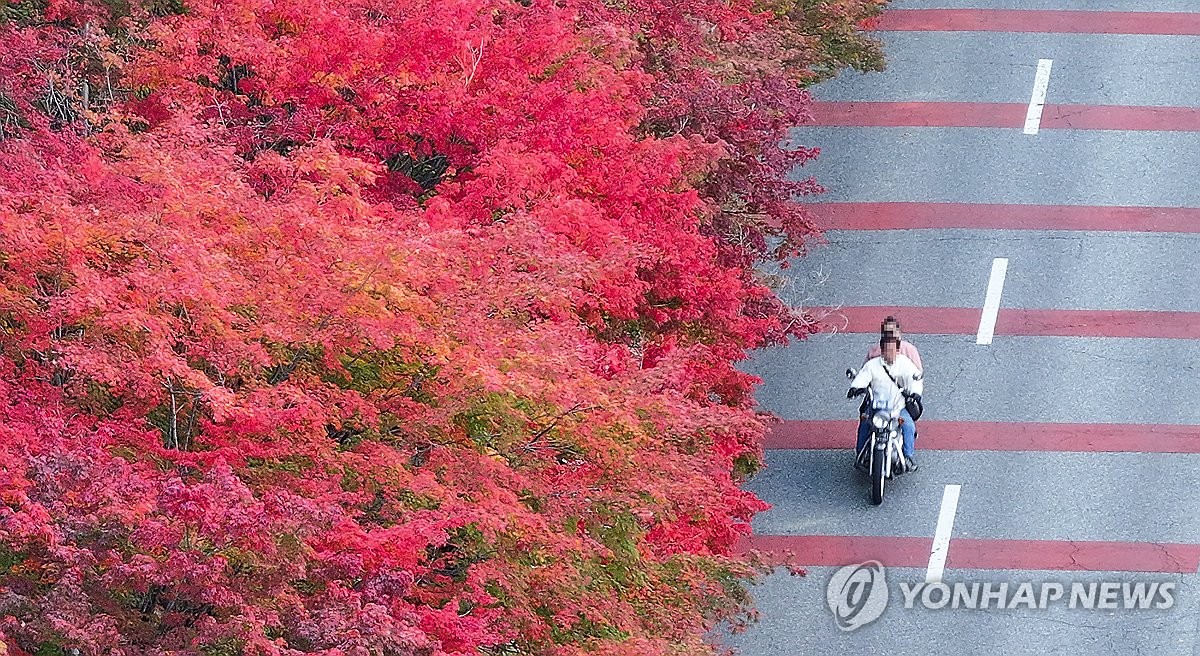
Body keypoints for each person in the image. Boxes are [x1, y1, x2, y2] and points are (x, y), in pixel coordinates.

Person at [848, 333, 923, 472]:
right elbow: (862, 377)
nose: (889, 353)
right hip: (876, 407)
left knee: (908, 426)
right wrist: (856, 388)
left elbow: (914, 380)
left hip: (897, 407)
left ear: (897, 349)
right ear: (881, 349)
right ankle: (860, 454)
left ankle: (908, 456)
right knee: (864, 424)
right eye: (886, 349)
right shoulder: (872, 365)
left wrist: (914, 393)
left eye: (892, 349)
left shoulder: (905, 364)